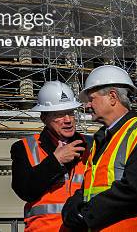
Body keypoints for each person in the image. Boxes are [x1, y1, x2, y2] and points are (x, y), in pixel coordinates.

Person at [62, 64, 137, 231]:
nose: (86, 106)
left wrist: (85, 215)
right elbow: (91, 188)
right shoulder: (102, 139)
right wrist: (71, 207)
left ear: (112, 97)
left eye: (91, 99)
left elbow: (136, 191)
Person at [11, 80, 88, 231]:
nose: (68, 120)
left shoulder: (91, 145)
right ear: (44, 118)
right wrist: (55, 161)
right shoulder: (24, 148)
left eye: (71, 113)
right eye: (59, 114)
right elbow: (24, 190)